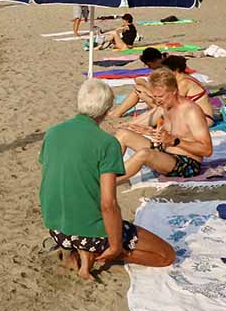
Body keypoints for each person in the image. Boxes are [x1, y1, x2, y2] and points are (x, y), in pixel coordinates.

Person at [39, 79, 175, 281]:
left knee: (84, 212)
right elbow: (108, 204)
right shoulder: (106, 143)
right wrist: (115, 245)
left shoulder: (52, 133)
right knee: (165, 256)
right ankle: (91, 252)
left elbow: (54, 177)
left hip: (55, 226)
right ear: (107, 109)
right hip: (87, 229)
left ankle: (76, 249)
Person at [115, 68, 214, 182]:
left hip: (186, 163)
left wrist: (174, 141)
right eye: (155, 97)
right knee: (122, 135)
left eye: (161, 96)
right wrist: (148, 131)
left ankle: (107, 182)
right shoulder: (166, 106)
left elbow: (207, 150)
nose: (157, 101)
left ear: (174, 91)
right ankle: (106, 172)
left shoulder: (191, 112)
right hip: (164, 152)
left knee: (144, 154)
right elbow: (167, 130)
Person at [108, 47, 166, 118]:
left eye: (149, 65)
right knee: (139, 87)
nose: (149, 68)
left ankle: (116, 113)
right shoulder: (163, 68)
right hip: (163, 98)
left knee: (138, 89)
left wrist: (145, 85)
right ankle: (116, 112)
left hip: (164, 103)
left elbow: (162, 93)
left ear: (154, 61)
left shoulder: (165, 71)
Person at [159, 55, 214, 125]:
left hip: (204, 119)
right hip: (195, 117)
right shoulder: (182, 79)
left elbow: (172, 103)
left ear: (176, 70)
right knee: (158, 110)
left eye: (166, 71)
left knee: (160, 111)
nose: (164, 73)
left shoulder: (184, 82)